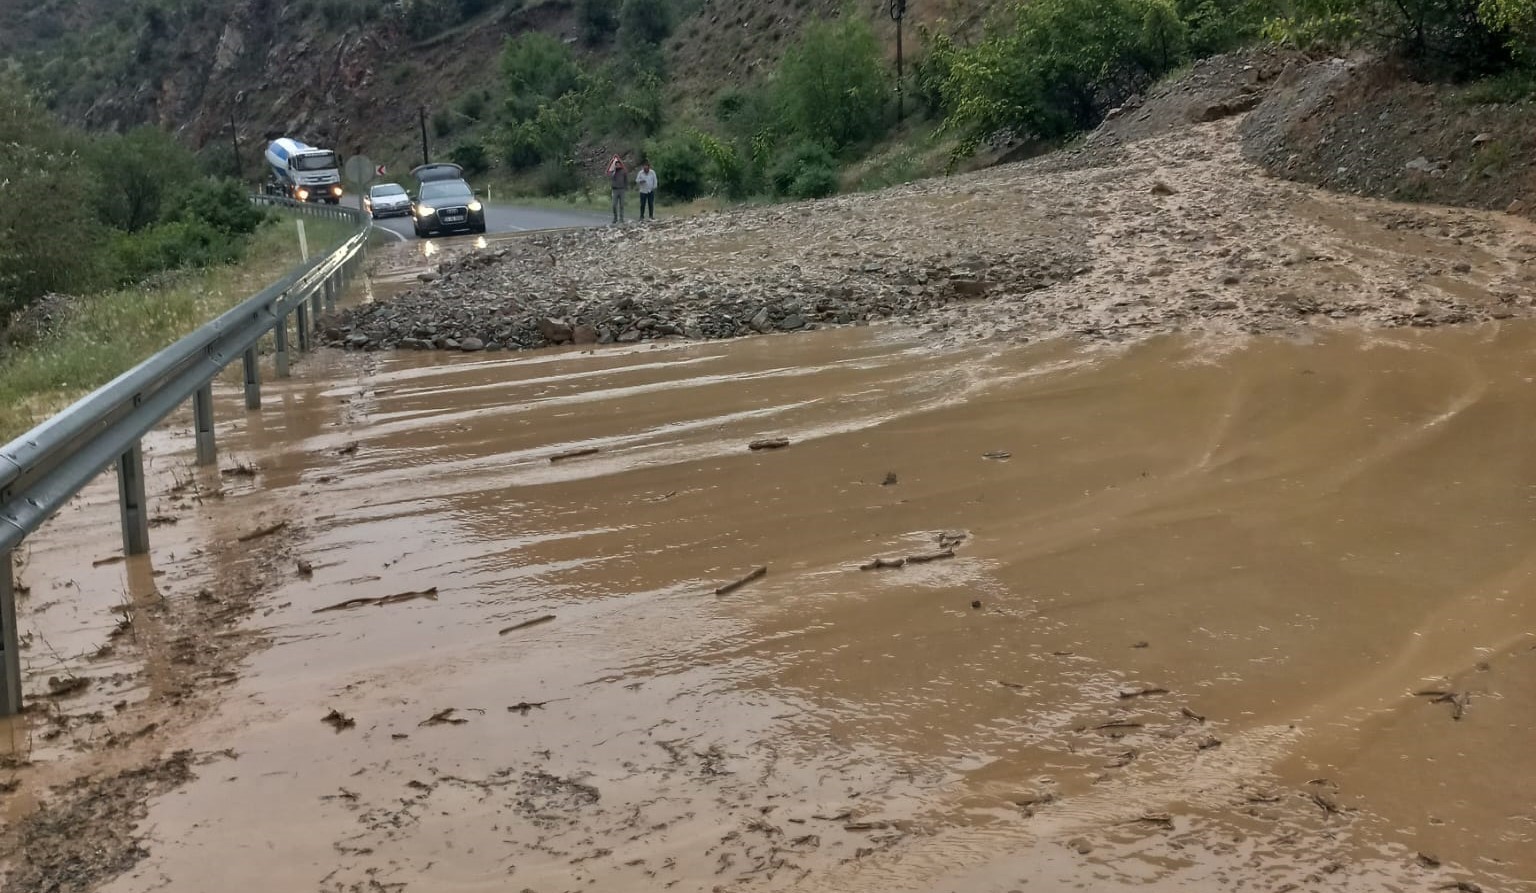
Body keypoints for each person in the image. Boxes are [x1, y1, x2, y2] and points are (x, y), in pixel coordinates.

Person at [607, 156, 628, 224]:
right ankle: (615, 218)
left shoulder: (623, 171)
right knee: (614, 205)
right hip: (615, 190)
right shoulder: (613, 172)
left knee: (621, 205)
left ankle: (621, 218)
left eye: (619, 164)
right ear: (615, 165)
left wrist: (625, 187)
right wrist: (614, 170)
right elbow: (610, 176)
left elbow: (626, 180)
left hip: (622, 189)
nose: (618, 165)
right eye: (616, 165)